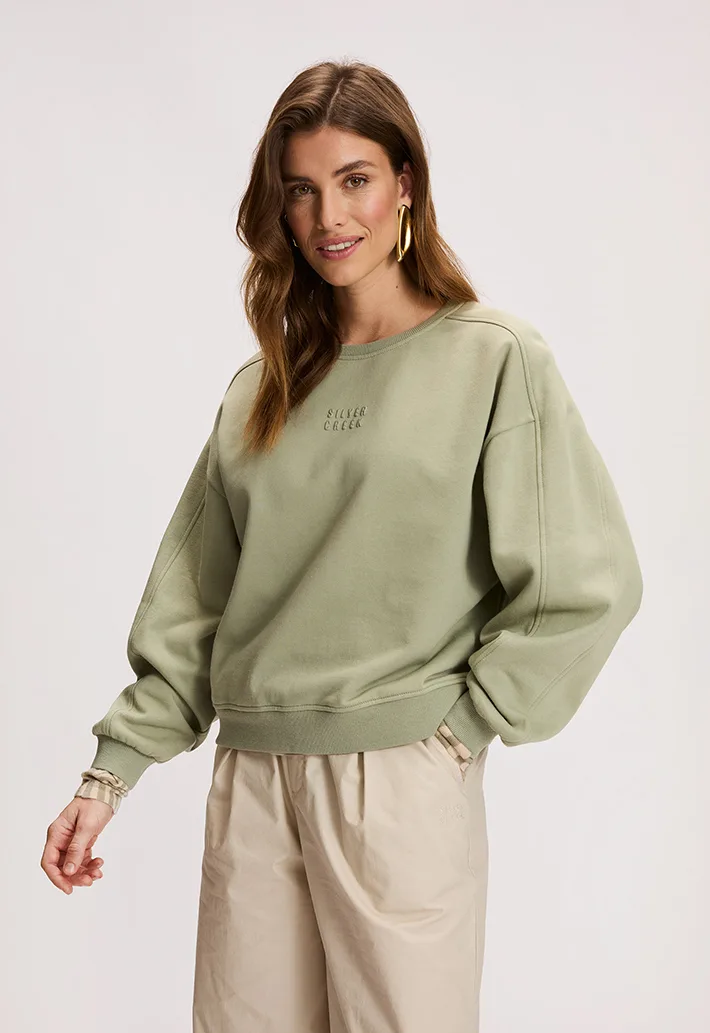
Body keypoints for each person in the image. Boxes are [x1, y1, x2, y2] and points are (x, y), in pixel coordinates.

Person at [41, 58, 644, 1033]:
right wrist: (107, 776)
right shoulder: (261, 389)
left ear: (405, 183)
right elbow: (194, 601)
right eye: (301, 190)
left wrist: (459, 729)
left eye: (354, 179)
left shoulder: (491, 358)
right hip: (252, 777)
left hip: (399, 778)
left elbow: (586, 581)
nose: (328, 215)